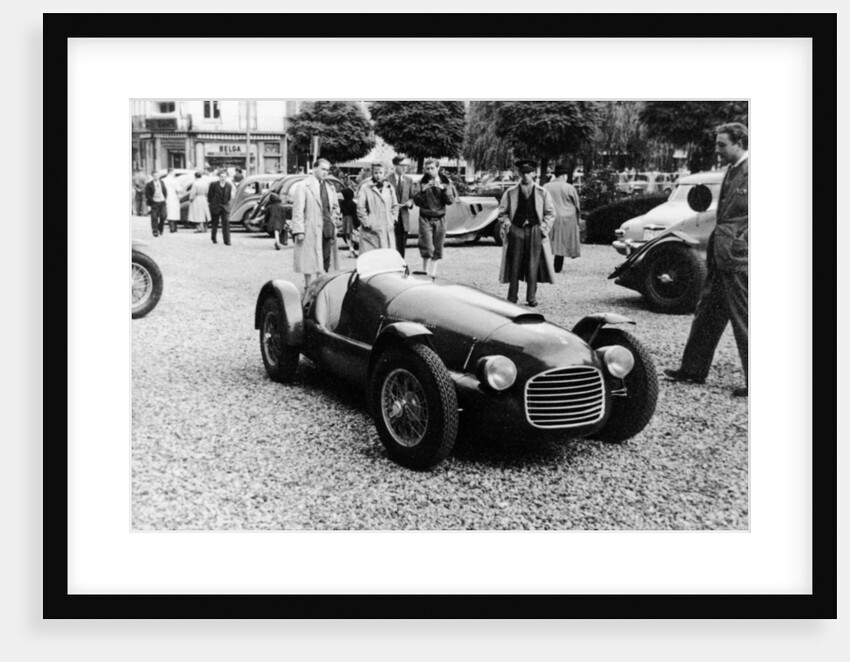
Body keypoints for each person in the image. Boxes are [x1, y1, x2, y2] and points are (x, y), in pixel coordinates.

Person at [664, 122, 749, 397]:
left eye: (722, 144)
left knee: (745, 319)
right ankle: (692, 369)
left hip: (737, 257)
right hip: (720, 255)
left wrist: (743, 242)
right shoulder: (732, 170)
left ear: (740, 142)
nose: (717, 149)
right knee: (706, 315)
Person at [497, 159, 557, 307]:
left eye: (528, 173)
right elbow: (502, 213)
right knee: (514, 264)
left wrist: (543, 230)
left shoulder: (543, 193)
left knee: (533, 265)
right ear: (518, 174)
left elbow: (550, 213)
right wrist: (508, 226)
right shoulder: (510, 193)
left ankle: (531, 297)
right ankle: (512, 297)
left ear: (533, 173)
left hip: (535, 230)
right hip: (516, 230)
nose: (525, 176)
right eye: (522, 173)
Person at [291, 158, 341, 286]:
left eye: (327, 170)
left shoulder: (330, 187)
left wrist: (333, 219)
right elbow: (298, 210)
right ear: (314, 168)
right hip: (310, 227)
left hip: (327, 227)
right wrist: (299, 230)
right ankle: (308, 286)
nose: (325, 172)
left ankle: (321, 286)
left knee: (325, 258)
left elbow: (335, 206)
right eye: (323, 169)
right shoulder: (304, 186)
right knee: (309, 259)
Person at [412, 159, 456, 277]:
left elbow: (451, 201)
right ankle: (424, 271)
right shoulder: (420, 182)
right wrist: (423, 190)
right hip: (425, 217)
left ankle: (433, 273)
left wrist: (443, 189)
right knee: (426, 245)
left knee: (438, 246)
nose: (430, 171)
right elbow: (416, 201)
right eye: (428, 169)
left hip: (440, 217)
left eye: (432, 168)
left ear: (438, 168)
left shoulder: (446, 182)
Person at [543, 164, 581, 272]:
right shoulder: (569, 187)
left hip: (549, 217)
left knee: (547, 241)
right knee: (562, 242)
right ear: (564, 175)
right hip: (566, 218)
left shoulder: (546, 186)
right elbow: (577, 205)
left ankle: (545, 265)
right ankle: (557, 267)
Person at [356, 162, 399, 254]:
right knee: (372, 256)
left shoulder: (389, 187)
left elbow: (395, 205)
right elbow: (360, 207)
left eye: (380, 172)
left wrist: (393, 219)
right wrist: (367, 222)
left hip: (387, 226)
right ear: (372, 173)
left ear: (384, 173)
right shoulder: (365, 188)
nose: (378, 175)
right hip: (372, 228)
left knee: (386, 256)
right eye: (376, 173)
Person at [387, 156, 417, 258]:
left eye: (406, 166)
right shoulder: (387, 179)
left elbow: (413, 197)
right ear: (395, 166)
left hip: (403, 218)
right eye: (402, 165)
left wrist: (410, 202)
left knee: (401, 246)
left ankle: (401, 266)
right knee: (390, 245)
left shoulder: (409, 180)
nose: (405, 168)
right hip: (390, 217)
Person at [208, 168, 235, 245]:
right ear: (219, 177)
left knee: (226, 223)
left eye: (224, 177)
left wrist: (225, 203)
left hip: (225, 207)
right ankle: (214, 238)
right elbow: (210, 196)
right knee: (214, 223)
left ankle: (227, 240)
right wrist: (213, 204)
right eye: (221, 176)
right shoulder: (213, 184)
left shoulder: (228, 185)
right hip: (215, 206)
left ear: (226, 177)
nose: (223, 178)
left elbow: (229, 196)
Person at [144, 171, 167, 237]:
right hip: (154, 202)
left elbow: (165, 191)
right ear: (152, 176)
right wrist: (152, 201)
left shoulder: (162, 182)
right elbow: (147, 195)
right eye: (154, 176)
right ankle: (155, 231)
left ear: (159, 176)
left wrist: (164, 198)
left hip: (162, 202)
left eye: (157, 176)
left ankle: (160, 228)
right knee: (154, 217)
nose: (156, 177)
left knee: (163, 216)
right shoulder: (149, 184)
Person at [339, 187, 360, 258]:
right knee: (353, 235)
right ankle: (353, 249)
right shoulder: (353, 204)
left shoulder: (341, 203)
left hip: (345, 220)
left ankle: (351, 248)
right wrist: (357, 223)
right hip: (352, 220)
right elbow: (355, 214)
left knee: (347, 236)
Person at [162, 168, 181, 233]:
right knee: (174, 212)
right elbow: (179, 189)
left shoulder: (163, 180)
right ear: (171, 172)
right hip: (173, 196)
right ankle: (174, 227)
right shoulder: (175, 180)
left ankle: (171, 227)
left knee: (169, 212)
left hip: (166, 197)